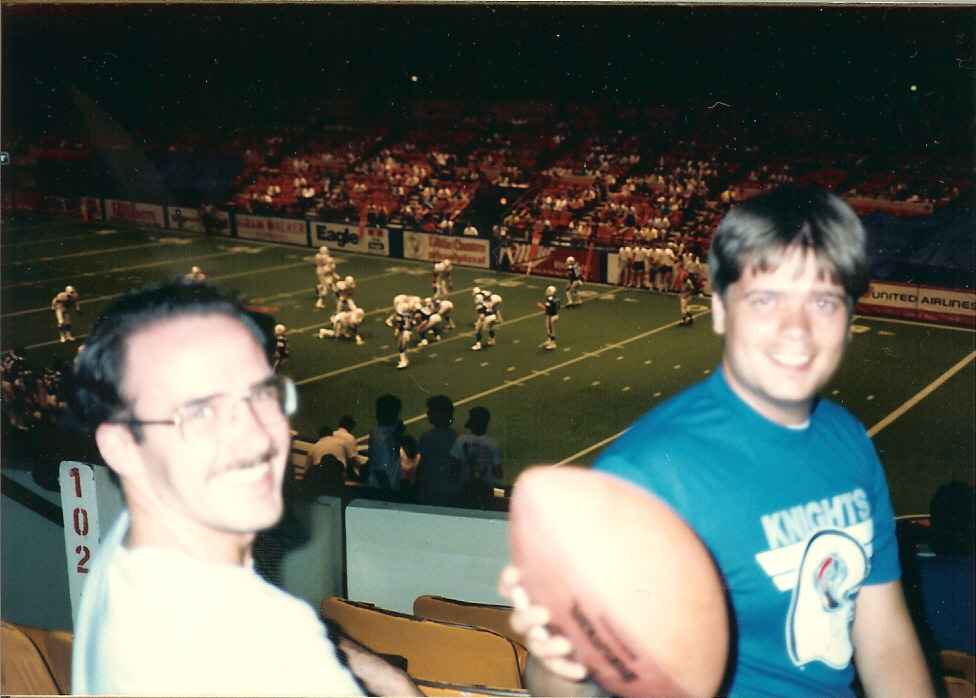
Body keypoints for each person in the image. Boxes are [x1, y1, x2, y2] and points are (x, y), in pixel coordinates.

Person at [501, 185, 934, 698]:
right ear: (720, 310)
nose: (796, 330)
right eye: (765, 298)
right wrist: (562, 657)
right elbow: (571, 688)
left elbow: (883, 635)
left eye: (822, 301)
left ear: (849, 318)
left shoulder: (848, 439)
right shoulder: (646, 475)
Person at [67, 280, 418, 696]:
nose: (257, 437)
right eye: (200, 412)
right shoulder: (269, 641)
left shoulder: (133, 549)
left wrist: (383, 675)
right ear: (122, 447)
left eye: (262, 395)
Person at [450, 406, 503, 509]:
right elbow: (498, 473)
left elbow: (454, 467)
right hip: (486, 488)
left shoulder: (461, 441)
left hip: (465, 487)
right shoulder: (492, 443)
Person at [414, 395, 460, 506]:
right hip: (448, 490)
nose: (428, 414)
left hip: (431, 489)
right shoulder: (456, 437)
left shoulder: (427, 437)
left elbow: (422, 466)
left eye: (431, 411)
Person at [365, 393, 406, 491]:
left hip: (385, 487)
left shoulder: (381, 433)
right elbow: (381, 472)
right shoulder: (382, 440)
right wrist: (389, 495)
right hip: (384, 491)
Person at [538, 285, 559, 350]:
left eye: (549, 291)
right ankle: (549, 340)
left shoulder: (549, 299)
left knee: (551, 329)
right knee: (548, 328)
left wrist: (541, 306)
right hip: (554, 315)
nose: (547, 292)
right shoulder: (555, 298)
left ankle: (553, 344)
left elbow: (547, 309)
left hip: (552, 316)